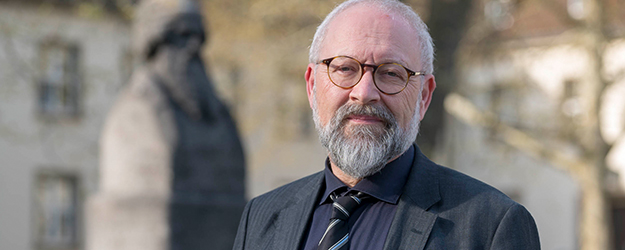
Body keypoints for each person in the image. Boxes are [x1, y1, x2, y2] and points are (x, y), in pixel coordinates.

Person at [232, 0, 540, 249]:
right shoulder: (261, 216)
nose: (364, 93)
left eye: (391, 73)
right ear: (312, 86)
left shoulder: (489, 226)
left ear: (424, 96)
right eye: (345, 68)